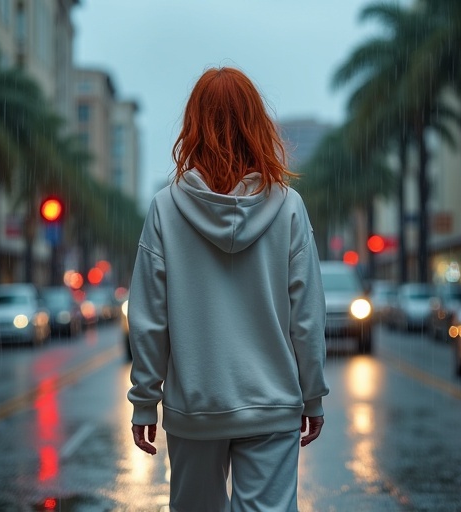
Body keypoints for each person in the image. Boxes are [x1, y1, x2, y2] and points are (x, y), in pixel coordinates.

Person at [127, 66, 329, 512]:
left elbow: (147, 321)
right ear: (257, 125)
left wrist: (145, 401)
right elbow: (308, 317)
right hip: (272, 403)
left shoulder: (166, 209)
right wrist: (311, 392)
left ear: (194, 127)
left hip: (194, 407)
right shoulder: (288, 209)